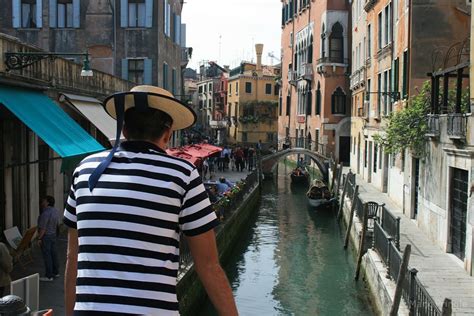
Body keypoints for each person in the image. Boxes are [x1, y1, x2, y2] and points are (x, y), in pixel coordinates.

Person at [63, 85, 237, 315]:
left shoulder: (84, 169)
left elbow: (72, 256)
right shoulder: (182, 174)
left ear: (124, 129)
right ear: (168, 133)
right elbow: (209, 267)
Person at [37, 195, 60, 282]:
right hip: (53, 235)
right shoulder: (55, 211)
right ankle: (56, 272)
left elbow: (43, 228)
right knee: (54, 254)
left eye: (44, 201)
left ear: (47, 202)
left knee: (47, 256)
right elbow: (56, 224)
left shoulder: (45, 213)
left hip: (46, 236)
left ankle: (49, 275)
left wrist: (39, 238)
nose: (42, 202)